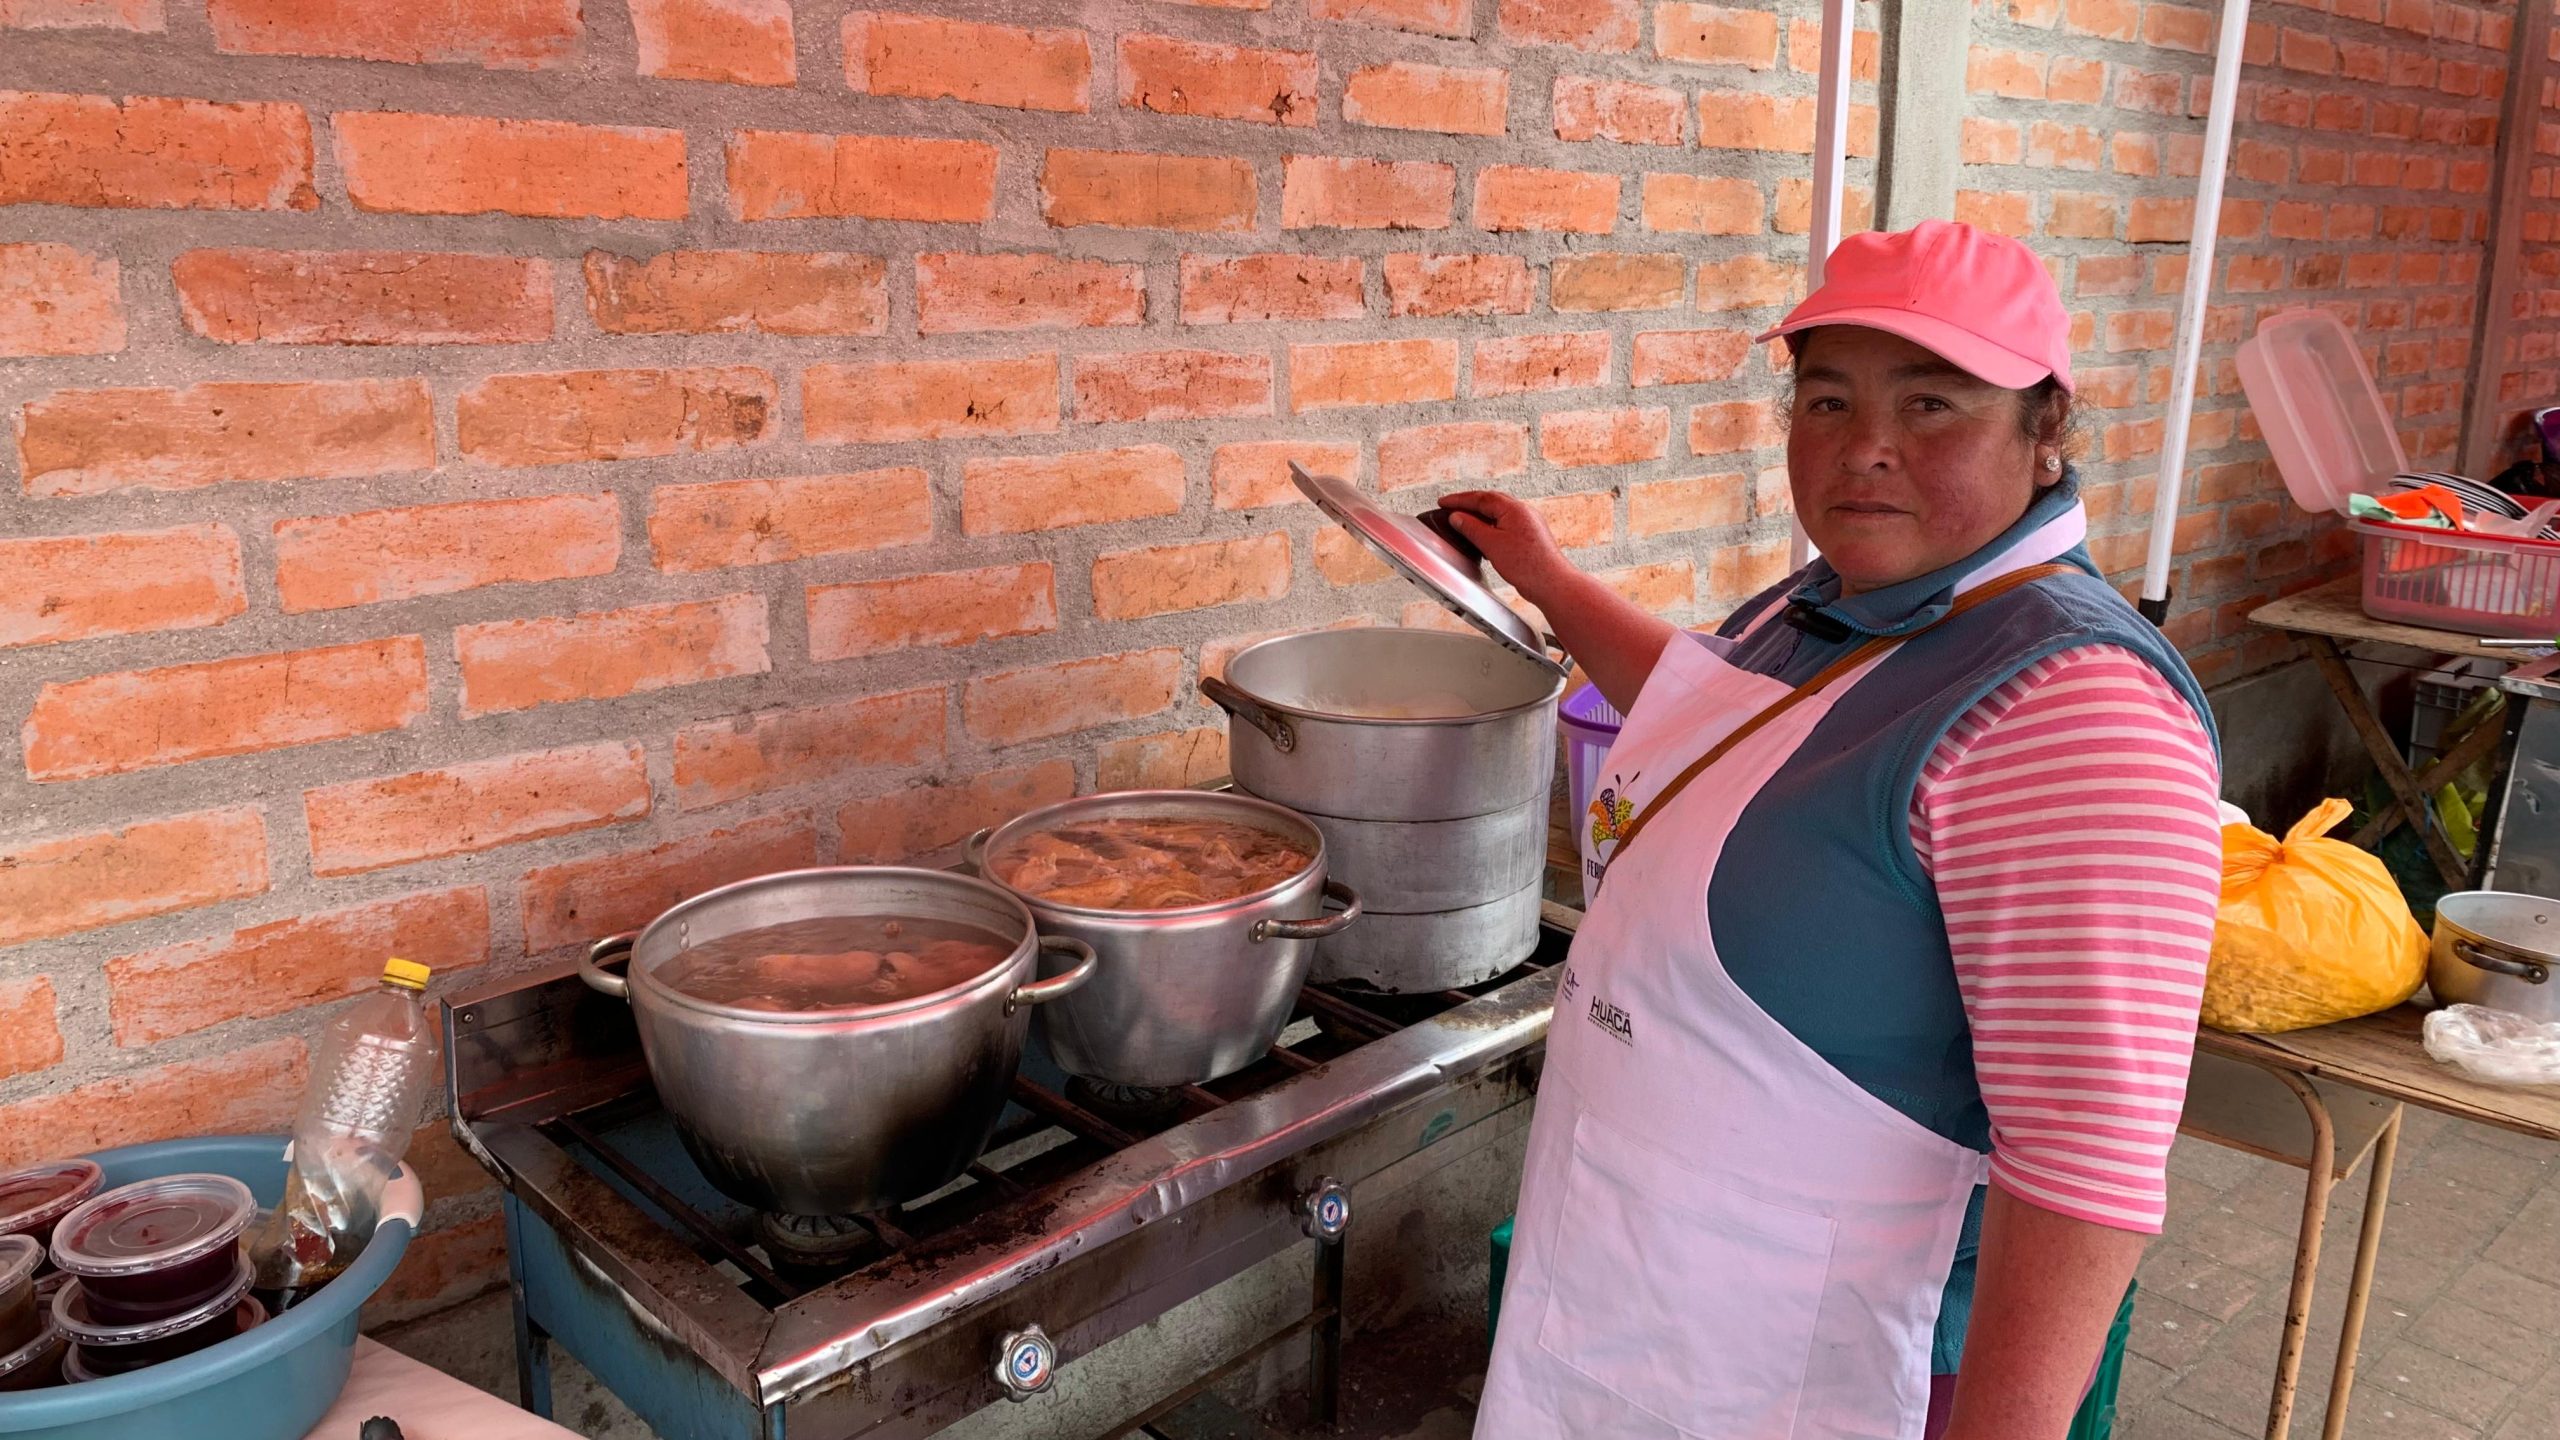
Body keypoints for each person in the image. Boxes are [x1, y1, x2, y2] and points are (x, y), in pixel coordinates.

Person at [1450, 220, 2223, 1439]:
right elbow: (1720, 720)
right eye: (1825, 399)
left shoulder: (2069, 712)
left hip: (1842, 1366)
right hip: (1656, 1293)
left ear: (2044, 432)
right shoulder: (1844, 604)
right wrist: (1546, 580)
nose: (1863, 451)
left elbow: (2087, 1168)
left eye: (1931, 405)